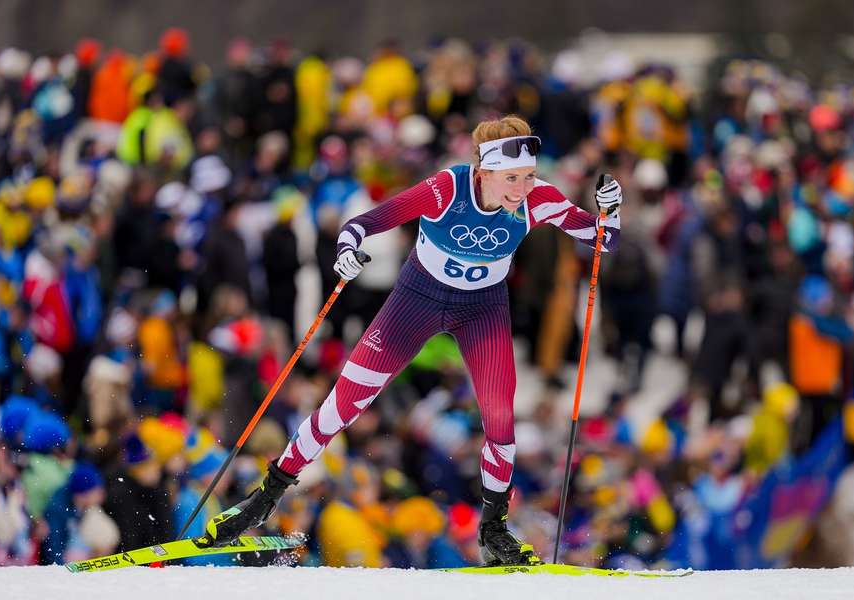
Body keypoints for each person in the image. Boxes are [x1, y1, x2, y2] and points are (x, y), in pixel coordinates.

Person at [199, 115, 623, 566]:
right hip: (418, 299)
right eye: (511, 179)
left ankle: (494, 529)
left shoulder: (536, 200)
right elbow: (361, 225)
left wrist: (610, 210)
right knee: (345, 403)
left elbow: (602, 240)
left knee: (501, 420)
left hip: (483, 308)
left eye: (528, 177)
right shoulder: (446, 189)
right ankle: (265, 497)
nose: (521, 189)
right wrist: (346, 256)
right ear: (483, 173)